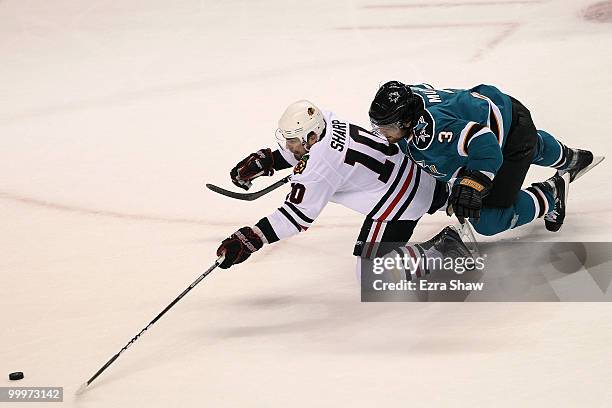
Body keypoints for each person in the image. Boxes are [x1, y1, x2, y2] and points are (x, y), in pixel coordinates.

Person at [215, 99, 471, 276]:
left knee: (372, 272)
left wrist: (252, 238)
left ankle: (445, 248)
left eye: (292, 140)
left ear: (311, 136)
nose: (289, 145)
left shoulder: (318, 170)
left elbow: (294, 218)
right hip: (420, 176)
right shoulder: (326, 119)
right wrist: (270, 160)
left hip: (403, 201)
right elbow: (311, 152)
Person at [368, 81, 602, 236]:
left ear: (407, 121)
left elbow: (485, 144)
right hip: (496, 106)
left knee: (488, 220)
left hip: (507, 135)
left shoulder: (433, 131)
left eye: (386, 127)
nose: (381, 133)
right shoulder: (410, 98)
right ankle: (567, 156)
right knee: (525, 142)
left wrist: (471, 185)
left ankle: (551, 194)